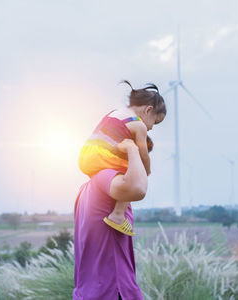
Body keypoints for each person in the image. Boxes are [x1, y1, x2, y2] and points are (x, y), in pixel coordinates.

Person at [78, 80, 166, 235]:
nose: (151, 127)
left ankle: (117, 211)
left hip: (87, 157)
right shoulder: (138, 125)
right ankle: (117, 215)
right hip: (104, 159)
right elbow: (143, 154)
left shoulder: (113, 113)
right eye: (155, 122)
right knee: (133, 171)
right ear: (148, 110)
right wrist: (147, 171)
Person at [73, 138, 150, 300]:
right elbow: (136, 187)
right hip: (113, 291)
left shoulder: (84, 189)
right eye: (140, 160)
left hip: (88, 292)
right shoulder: (105, 178)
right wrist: (132, 148)